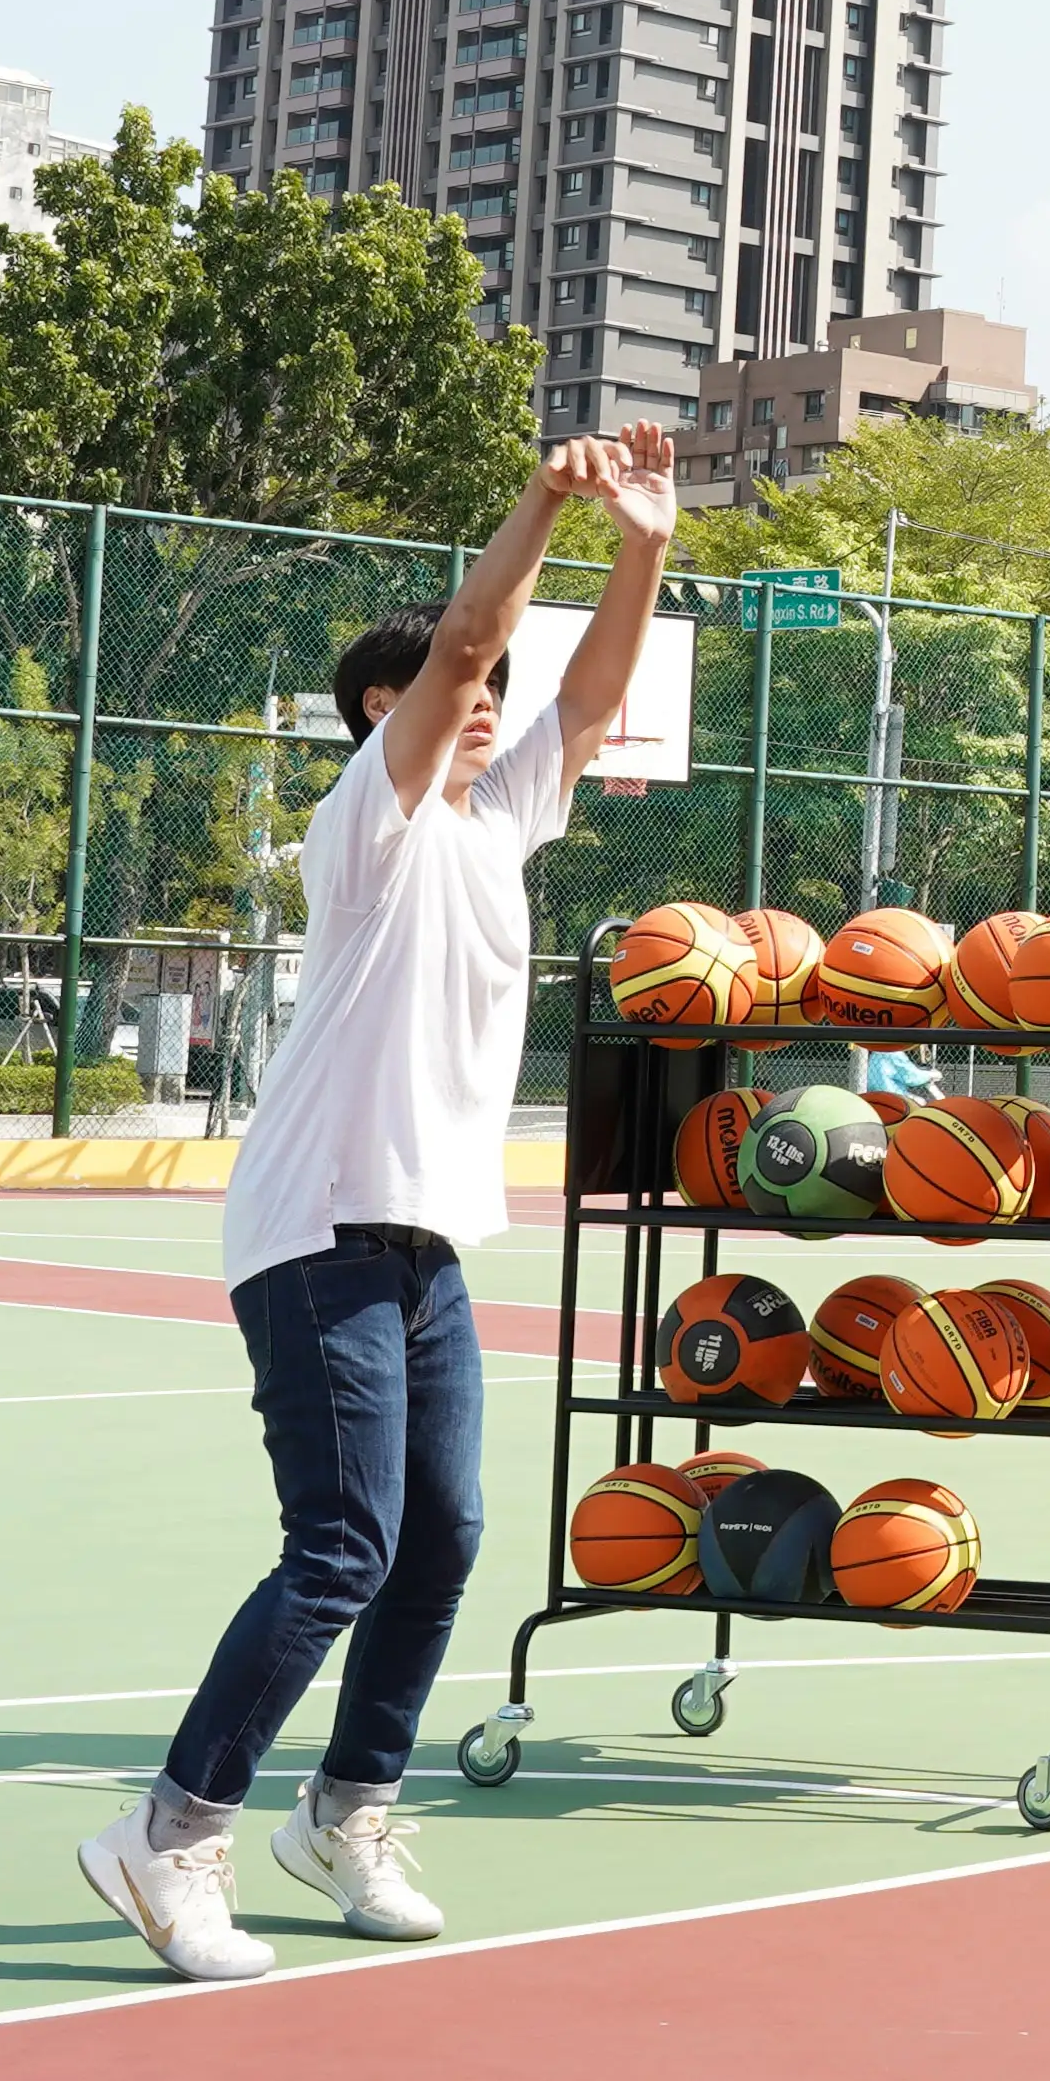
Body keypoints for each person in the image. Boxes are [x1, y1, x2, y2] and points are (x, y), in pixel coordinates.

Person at [78, 426, 674, 1984]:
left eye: (490, 701)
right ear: (385, 714)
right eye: (461, 695)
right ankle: (170, 1833)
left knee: (444, 1538)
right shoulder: (376, 820)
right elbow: (480, 634)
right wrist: (547, 499)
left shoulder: (500, 826)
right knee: (341, 1545)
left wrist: (646, 544)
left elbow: (591, 697)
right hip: (318, 1228)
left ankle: (347, 1813)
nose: (490, 706)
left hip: (422, 1241)